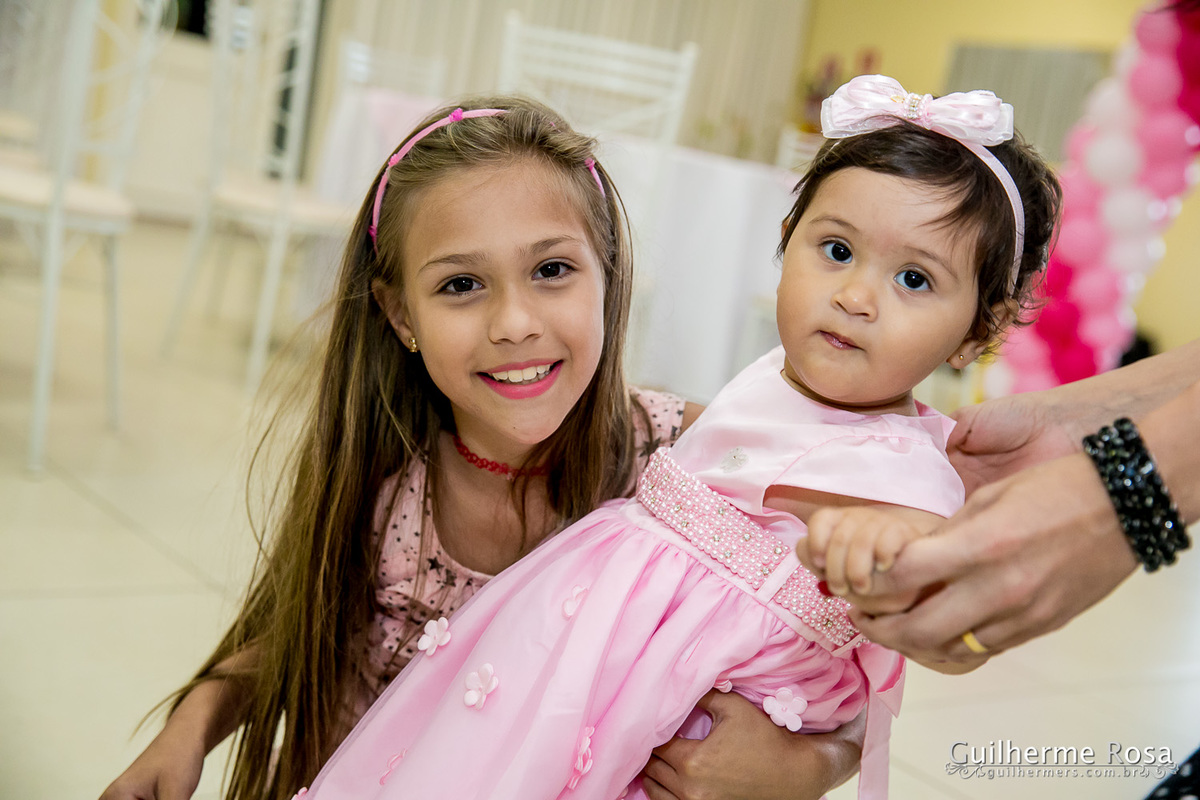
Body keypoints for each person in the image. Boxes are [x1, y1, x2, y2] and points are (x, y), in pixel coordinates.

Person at [296, 74, 1061, 800]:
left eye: (915, 280)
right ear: (785, 244)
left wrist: (889, 551)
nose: (856, 296)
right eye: (836, 251)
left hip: (674, 716)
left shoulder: (910, 472)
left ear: (977, 332)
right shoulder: (762, 382)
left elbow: (952, 622)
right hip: (576, 664)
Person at [99, 97, 862, 800]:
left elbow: (853, 661)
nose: (514, 322)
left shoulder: (701, 465)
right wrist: (189, 728)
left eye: (552, 270)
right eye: (462, 285)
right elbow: (290, 629)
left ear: (609, 276)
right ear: (400, 314)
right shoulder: (385, 476)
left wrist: (808, 766)